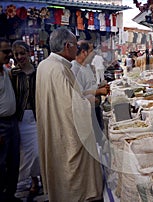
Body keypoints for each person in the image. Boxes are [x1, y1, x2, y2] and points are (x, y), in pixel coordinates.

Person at [35, 27, 103, 201]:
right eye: (74, 45)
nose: (77, 49)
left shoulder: (45, 65)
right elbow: (73, 109)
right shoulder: (58, 69)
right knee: (72, 186)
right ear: (67, 46)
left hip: (54, 131)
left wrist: (87, 96)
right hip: (65, 136)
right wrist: (91, 102)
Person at [10, 40, 40, 196]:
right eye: (17, 54)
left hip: (36, 118)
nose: (20, 57)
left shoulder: (38, 72)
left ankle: (41, 178)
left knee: (36, 152)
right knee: (24, 153)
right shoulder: (13, 74)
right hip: (20, 119)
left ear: (29, 53)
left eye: (22, 53)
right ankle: (33, 180)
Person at [71, 40, 109, 139]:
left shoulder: (87, 66)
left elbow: (89, 86)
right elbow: (79, 92)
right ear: (84, 52)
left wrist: (100, 86)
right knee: (93, 140)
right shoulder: (74, 68)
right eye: (92, 50)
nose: (94, 54)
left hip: (95, 108)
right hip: (86, 112)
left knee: (99, 137)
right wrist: (99, 91)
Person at [0, 38, 21, 202]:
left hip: (12, 122)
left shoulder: (5, 71)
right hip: (2, 126)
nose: (9, 55)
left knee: (14, 162)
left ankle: (10, 195)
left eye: (9, 51)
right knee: (2, 165)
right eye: (5, 52)